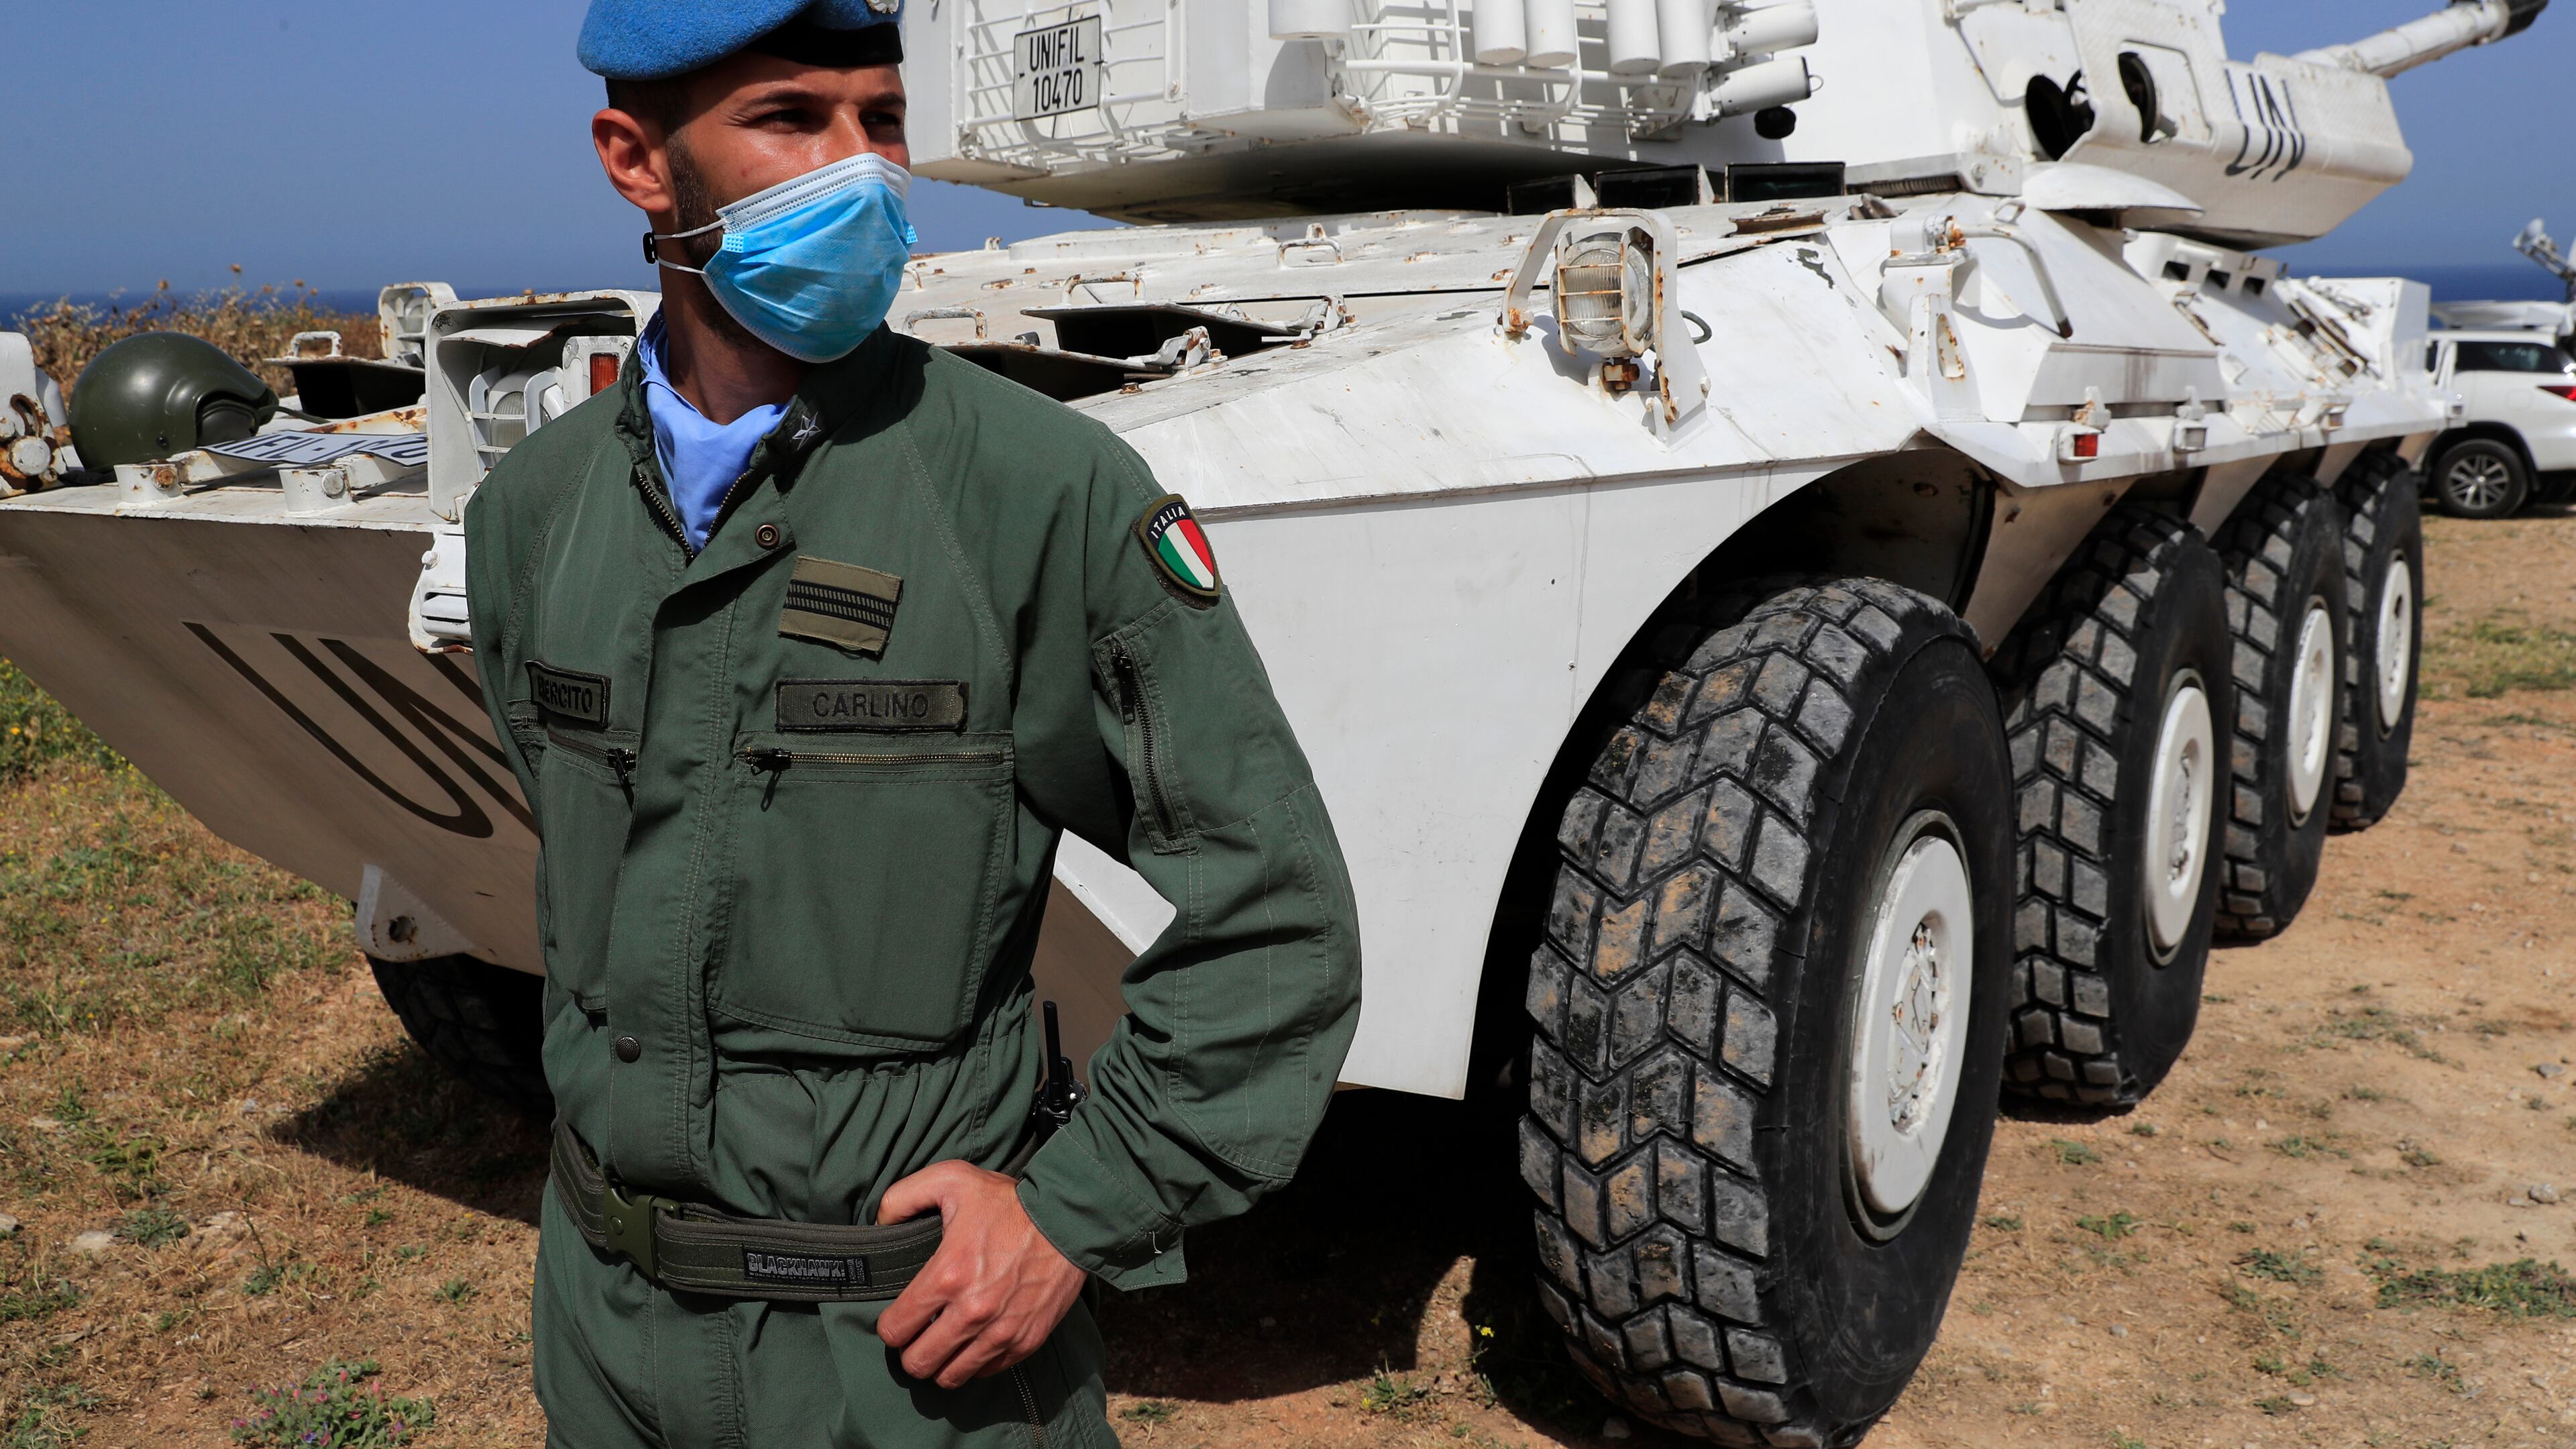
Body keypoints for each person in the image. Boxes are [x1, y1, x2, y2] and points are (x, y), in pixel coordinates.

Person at [461, 3, 1364, 1443]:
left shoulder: (1037, 494)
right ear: (638, 161)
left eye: (880, 121)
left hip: (908, 1362)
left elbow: (1278, 919)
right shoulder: (534, 515)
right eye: (790, 118)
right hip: (608, 1338)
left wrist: (1076, 1211)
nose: (862, 170)